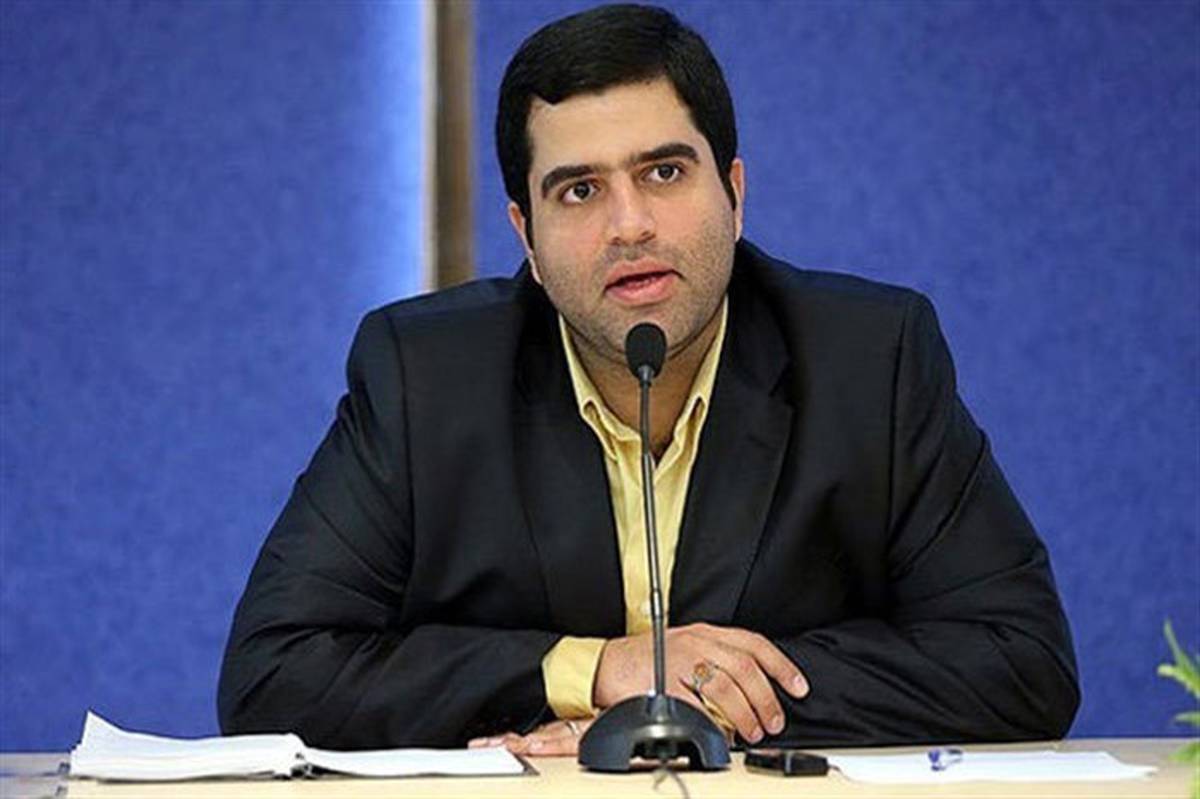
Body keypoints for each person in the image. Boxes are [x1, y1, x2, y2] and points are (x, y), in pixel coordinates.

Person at [218, 3, 1078, 755]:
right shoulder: (426, 376)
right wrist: (595, 671)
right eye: (579, 191)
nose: (629, 225)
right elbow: (273, 675)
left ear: (734, 194)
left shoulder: (869, 358)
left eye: (664, 173)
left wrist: (705, 694)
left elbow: (1021, 660)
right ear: (526, 236)